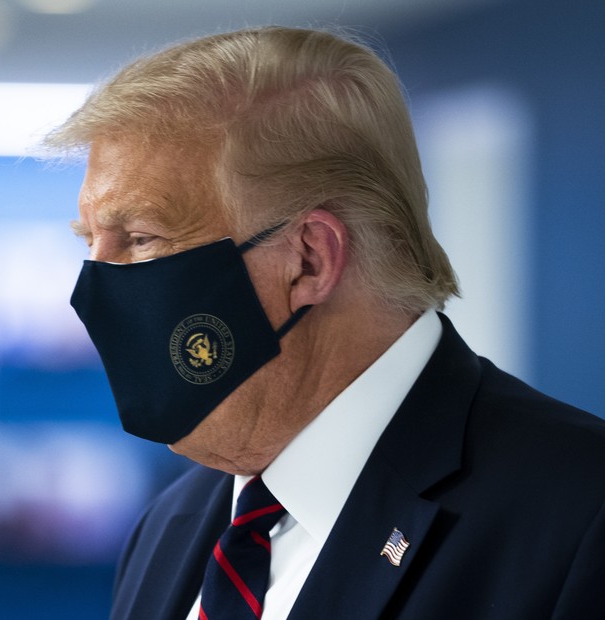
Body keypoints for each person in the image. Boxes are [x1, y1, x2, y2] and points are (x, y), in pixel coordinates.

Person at [47, 26, 605, 619]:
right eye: (90, 242)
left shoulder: (580, 517)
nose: (96, 289)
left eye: (140, 239)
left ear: (309, 259)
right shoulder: (170, 526)